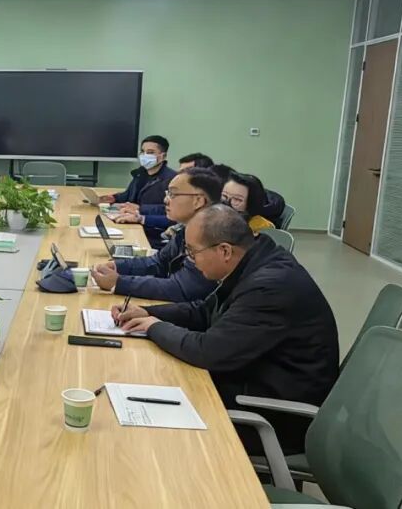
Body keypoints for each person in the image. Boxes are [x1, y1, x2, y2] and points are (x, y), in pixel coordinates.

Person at [113, 205, 339, 454]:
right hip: (250, 381)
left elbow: (208, 352)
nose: (189, 259)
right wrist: (149, 312)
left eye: (193, 252)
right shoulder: (254, 263)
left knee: (146, 425)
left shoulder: (269, 287)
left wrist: (154, 327)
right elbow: (205, 311)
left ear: (224, 251)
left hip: (271, 417)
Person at [90, 168, 221, 303]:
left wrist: (119, 283)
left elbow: (180, 289)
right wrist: (117, 266)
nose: (165, 200)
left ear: (198, 201)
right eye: (167, 193)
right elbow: (158, 262)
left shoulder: (213, 234)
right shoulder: (186, 228)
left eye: (173, 194)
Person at [103, 135, 177, 246]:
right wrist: (113, 198)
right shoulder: (140, 174)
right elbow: (129, 195)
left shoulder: (172, 180)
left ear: (163, 156)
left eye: (150, 152)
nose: (144, 155)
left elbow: (173, 211)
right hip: (131, 223)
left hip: (153, 232)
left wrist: (140, 209)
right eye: (142, 152)